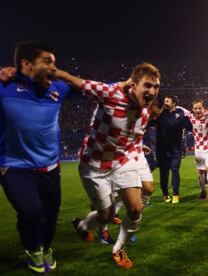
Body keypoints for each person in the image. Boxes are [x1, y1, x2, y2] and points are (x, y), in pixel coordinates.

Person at [56, 62, 161, 269]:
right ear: (133, 84)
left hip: (122, 162)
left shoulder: (148, 109)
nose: (152, 91)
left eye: (156, 87)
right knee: (106, 215)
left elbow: (130, 132)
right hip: (94, 164)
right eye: (147, 85)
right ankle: (84, 225)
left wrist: (139, 148)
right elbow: (71, 80)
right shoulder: (111, 92)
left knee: (136, 207)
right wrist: (28, 72)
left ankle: (119, 248)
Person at [0, 41, 74, 273]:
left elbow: (91, 88)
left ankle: (45, 247)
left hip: (50, 168)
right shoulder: (4, 87)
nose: (53, 67)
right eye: (47, 61)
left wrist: (126, 84)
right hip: (14, 166)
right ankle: (33, 249)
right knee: (32, 210)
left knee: (51, 215)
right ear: (26, 64)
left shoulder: (58, 89)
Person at [152, 95, 192, 204]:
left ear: (173, 103)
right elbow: (150, 123)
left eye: (167, 101)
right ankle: (165, 194)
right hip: (162, 150)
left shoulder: (180, 113)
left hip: (175, 149)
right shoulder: (160, 114)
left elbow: (189, 127)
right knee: (163, 173)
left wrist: (182, 118)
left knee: (175, 170)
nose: (165, 102)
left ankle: (175, 194)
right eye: (164, 101)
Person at [183, 99, 208, 200]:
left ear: (204, 108)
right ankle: (203, 191)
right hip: (198, 148)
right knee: (200, 171)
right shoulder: (190, 116)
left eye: (200, 108)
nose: (198, 110)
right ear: (192, 109)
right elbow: (180, 109)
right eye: (195, 108)